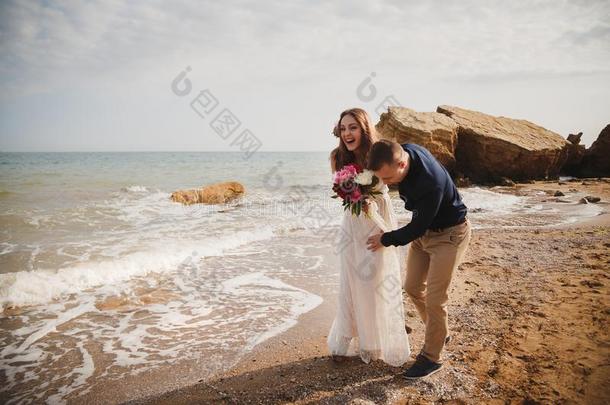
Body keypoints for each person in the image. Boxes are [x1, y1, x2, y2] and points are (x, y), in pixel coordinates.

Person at [366, 139, 471, 379]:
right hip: (425, 234)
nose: (386, 184)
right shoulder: (404, 149)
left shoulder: (429, 183)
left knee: (436, 299)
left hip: (450, 235)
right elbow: (383, 146)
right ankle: (440, 333)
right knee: (412, 287)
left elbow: (414, 229)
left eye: (389, 179)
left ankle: (432, 358)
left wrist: (385, 239)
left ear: (403, 164)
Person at [327, 108, 410, 367]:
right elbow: (340, 189)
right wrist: (351, 195)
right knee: (351, 281)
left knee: (375, 279)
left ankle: (374, 342)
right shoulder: (337, 156)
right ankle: (344, 338)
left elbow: (396, 177)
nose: (347, 133)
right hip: (352, 222)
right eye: (343, 128)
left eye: (352, 127)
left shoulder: (377, 151)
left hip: (377, 219)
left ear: (364, 128)